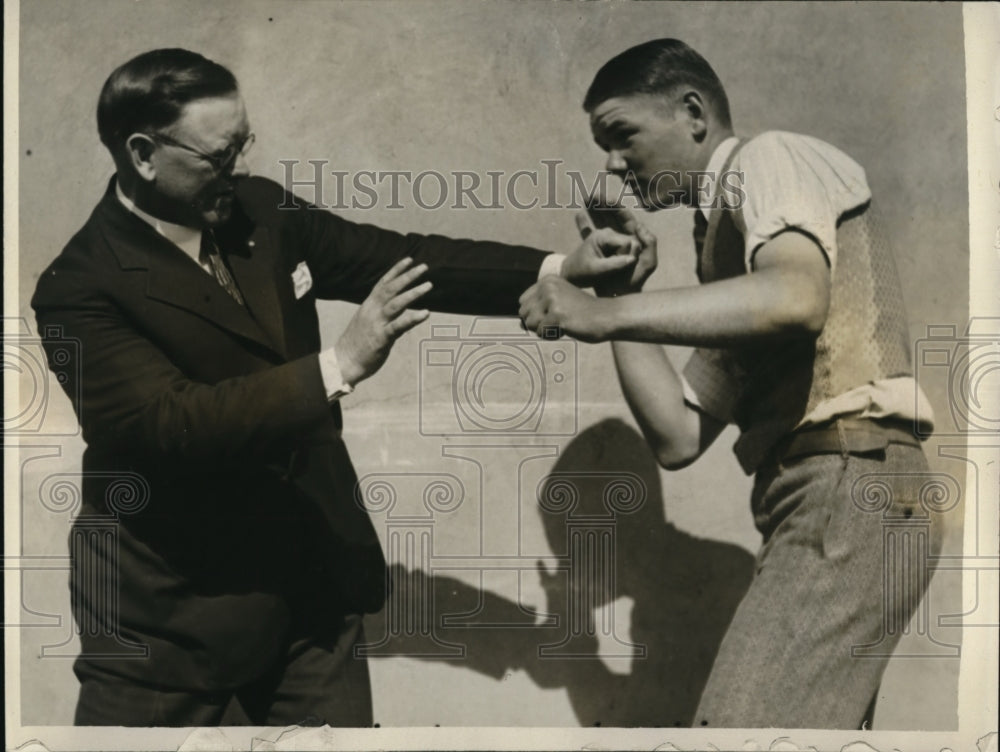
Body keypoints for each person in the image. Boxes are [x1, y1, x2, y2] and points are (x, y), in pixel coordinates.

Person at [31, 48, 652, 727]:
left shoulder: (260, 210)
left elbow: (405, 258)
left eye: (244, 144)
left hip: (309, 594)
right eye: (218, 155)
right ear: (143, 153)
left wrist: (564, 268)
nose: (239, 167)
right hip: (166, 621)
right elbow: (169, 424)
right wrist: (339, 366)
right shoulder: (78, 287)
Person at [518, 38, 941, 728]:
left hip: (848, 481)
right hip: (823, 499)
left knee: (736, 736)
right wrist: (627, 299)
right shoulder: (727, 253)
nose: (612, 163)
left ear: (692, 112)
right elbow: (679, 435)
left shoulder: (767, 159)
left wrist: (599, 313)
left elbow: (797, 297)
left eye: (622, 135)